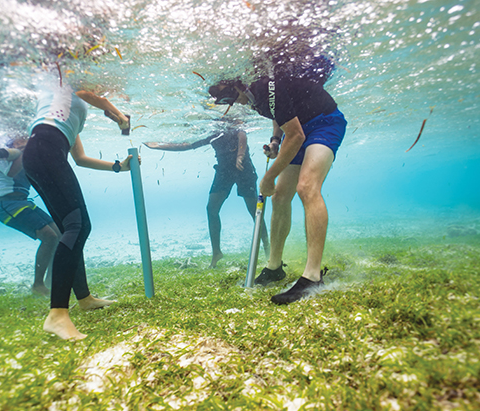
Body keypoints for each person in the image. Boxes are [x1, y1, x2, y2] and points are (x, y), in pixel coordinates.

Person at [208, 69, 347, 304]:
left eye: (229, 98)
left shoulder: (262, 85)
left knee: (306, 187)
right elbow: (279, 114)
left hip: (324, 123)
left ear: (237, 86)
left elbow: (296, 137)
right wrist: (275, 140)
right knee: (280, 196)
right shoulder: (254, 96)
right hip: (298, 129)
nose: (232, 104)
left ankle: (312, 277)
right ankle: (274, 267)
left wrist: (268, 177)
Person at [21, 75, 133, 340]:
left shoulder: (69, 112)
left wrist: (119, 166)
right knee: (78, 226)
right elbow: (94, 95)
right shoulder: (64, 79)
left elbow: (80, 159)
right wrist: (120, 116)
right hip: (44, 149)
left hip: (42, 152)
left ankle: (83, 298)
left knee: (70, 228)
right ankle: (57, 315)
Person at [143, 122, 269, 268]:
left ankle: (267, 247)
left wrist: (240, 155)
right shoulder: (213, 132)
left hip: (243, 169)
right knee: (212, 209)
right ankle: (217, 252)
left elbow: (242, 135)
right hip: (223, 171)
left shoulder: (234, 126)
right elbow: (187, 145)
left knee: (255, 211)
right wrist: (159, 146)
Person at [0, 136, 61, 296]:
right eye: (21, 141)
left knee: (59, 235)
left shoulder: (22, 153)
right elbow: (10, 173)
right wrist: (23, 152)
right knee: (50, 237)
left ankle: (51, 282)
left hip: (23, 202)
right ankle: (38, 286)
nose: (24, 141)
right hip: (6, 205)